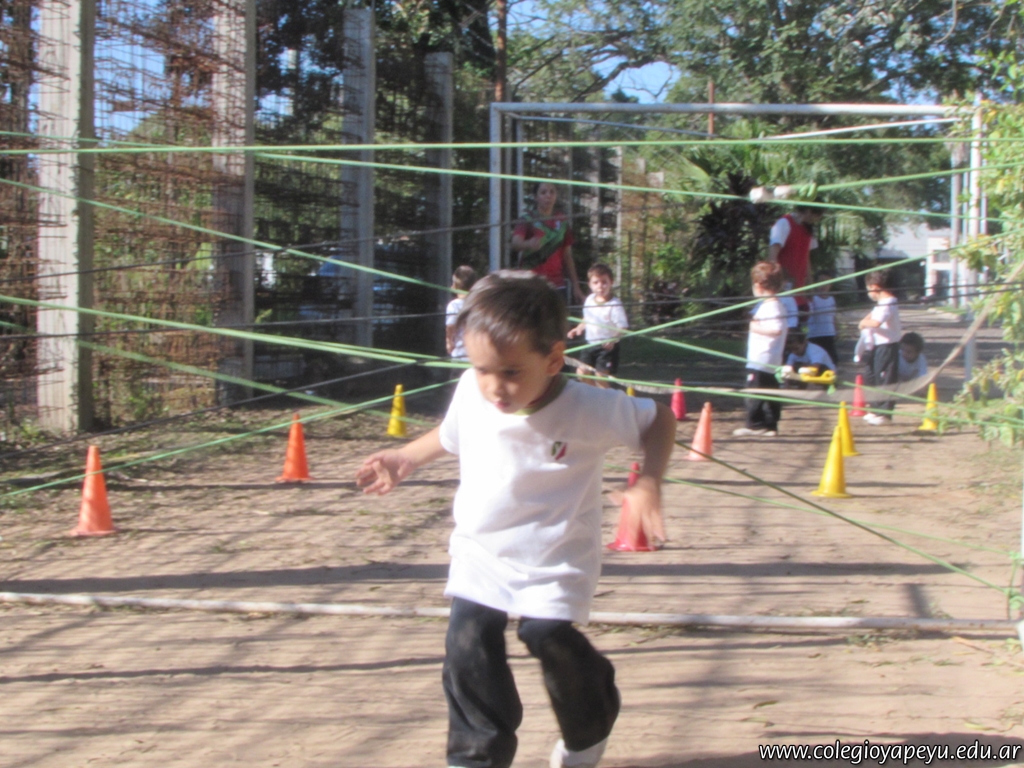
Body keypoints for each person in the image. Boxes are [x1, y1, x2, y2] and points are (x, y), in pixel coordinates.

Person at [355, 271, 677, 768]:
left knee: (545, 636)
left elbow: (660, 419)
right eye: (482, 369)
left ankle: (590, 723)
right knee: (467, 641)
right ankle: (476, 756)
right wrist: (406, 458)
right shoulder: (474, 389)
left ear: (553, 359)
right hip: (481, 550)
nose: (494, 387)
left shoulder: (589, 407)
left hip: (555, 558)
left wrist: (649, 481)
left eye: (510, 372)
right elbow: (451, 434)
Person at [733, 261, 788, 438]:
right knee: (769, 391)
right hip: (769, 359)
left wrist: (754, 327)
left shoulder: (772, 305)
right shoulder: (772, 305)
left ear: (758, 285)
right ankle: (770, 425)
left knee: (754, 390)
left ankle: (755, 424)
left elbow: (776, 329)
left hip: (761, 359)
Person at [510, 182, 585, 305]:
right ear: (536, 197)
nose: (548, 196)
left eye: (552, 192)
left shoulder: (562, 221)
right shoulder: (527, 219)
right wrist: (528, 244)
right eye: (543, 192)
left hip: (557, 284)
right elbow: (515, 243)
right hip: (531, 283)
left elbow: (567, 256)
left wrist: (576, 287)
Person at [567, 263, 629, 387]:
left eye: (604, 282)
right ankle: (595, 395)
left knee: (601, 377)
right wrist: (578, 328)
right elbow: (587, 318)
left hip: (606, 348)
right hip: (590, 344)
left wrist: (613, 339)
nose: (600, 286)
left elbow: (623, 327)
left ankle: (606, 397)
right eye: (596, 282)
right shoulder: (589, 300)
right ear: (590, 284)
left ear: (611, 283)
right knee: (582, 373)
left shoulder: (615, 305)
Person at [858, 269, 902, 425]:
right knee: (873, 376)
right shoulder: (881, 304)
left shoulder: (889, 303)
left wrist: (863, 323)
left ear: (875, 287)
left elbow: (876, 322)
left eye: (868, 289)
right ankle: (875, 408)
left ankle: (884, 413)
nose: (868, 293)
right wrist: (864, 321)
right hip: (878, 345)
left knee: (885, 378)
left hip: (887, 346)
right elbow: (872, 315)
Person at [768, 206, 824, 294]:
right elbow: (772, 257)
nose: (817, 220)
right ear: (808, 211)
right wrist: (775, 282)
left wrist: (810, 284)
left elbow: (806, 257)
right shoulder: (784, 223)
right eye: (817, 216)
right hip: (783, 284)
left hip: (799, 284)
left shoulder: (809, 229)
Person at [446, 265, 478, 361]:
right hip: (477, 356)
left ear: (457, 285)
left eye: (453, 283)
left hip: (460, 355)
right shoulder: (479, 304)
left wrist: (449, 342)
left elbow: (450, 326)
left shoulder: (454, 305)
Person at [806, 272, 838, 366]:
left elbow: (833, 316)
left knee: (832, 358)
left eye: (827, 282)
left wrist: (836, 329)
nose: (823, 285)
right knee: (817, 358)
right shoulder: (813, 299)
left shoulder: (831, 299)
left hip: (829, 333)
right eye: (821, 281)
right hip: (815, 334)